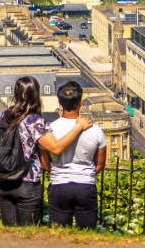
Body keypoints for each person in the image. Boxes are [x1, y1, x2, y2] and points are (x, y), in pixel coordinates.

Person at [0, 75, 94, 227]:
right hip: (26, 182)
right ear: (36, 95)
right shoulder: (33, 121)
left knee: (9, 234)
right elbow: (56, 148)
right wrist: (78, 127)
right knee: (28, 234)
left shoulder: (5, 116)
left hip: (4, 180)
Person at [40, 79, 107, 229]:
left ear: (60, 102)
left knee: (59, 234)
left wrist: (58, 171)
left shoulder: (49, 129)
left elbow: (44, 163)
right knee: (87, 233)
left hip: (59, 184)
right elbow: (100, 163)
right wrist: (86, 173)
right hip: (85, 185)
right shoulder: (95, 130)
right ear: (80, 102)